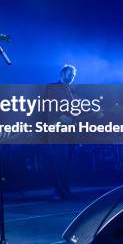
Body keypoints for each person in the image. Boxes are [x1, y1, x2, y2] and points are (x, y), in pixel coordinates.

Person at [46, 64, 77, 200]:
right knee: (59, 160)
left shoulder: (70, 91)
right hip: (57, 130)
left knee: (67, 161)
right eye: (70, 74)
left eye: (74, 75)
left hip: (69, 131)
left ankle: (64, 188)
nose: (72, 77)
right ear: (63, 74)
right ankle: (58, 190)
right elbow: (49, 106)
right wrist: (60, 117)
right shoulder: (52, 87)